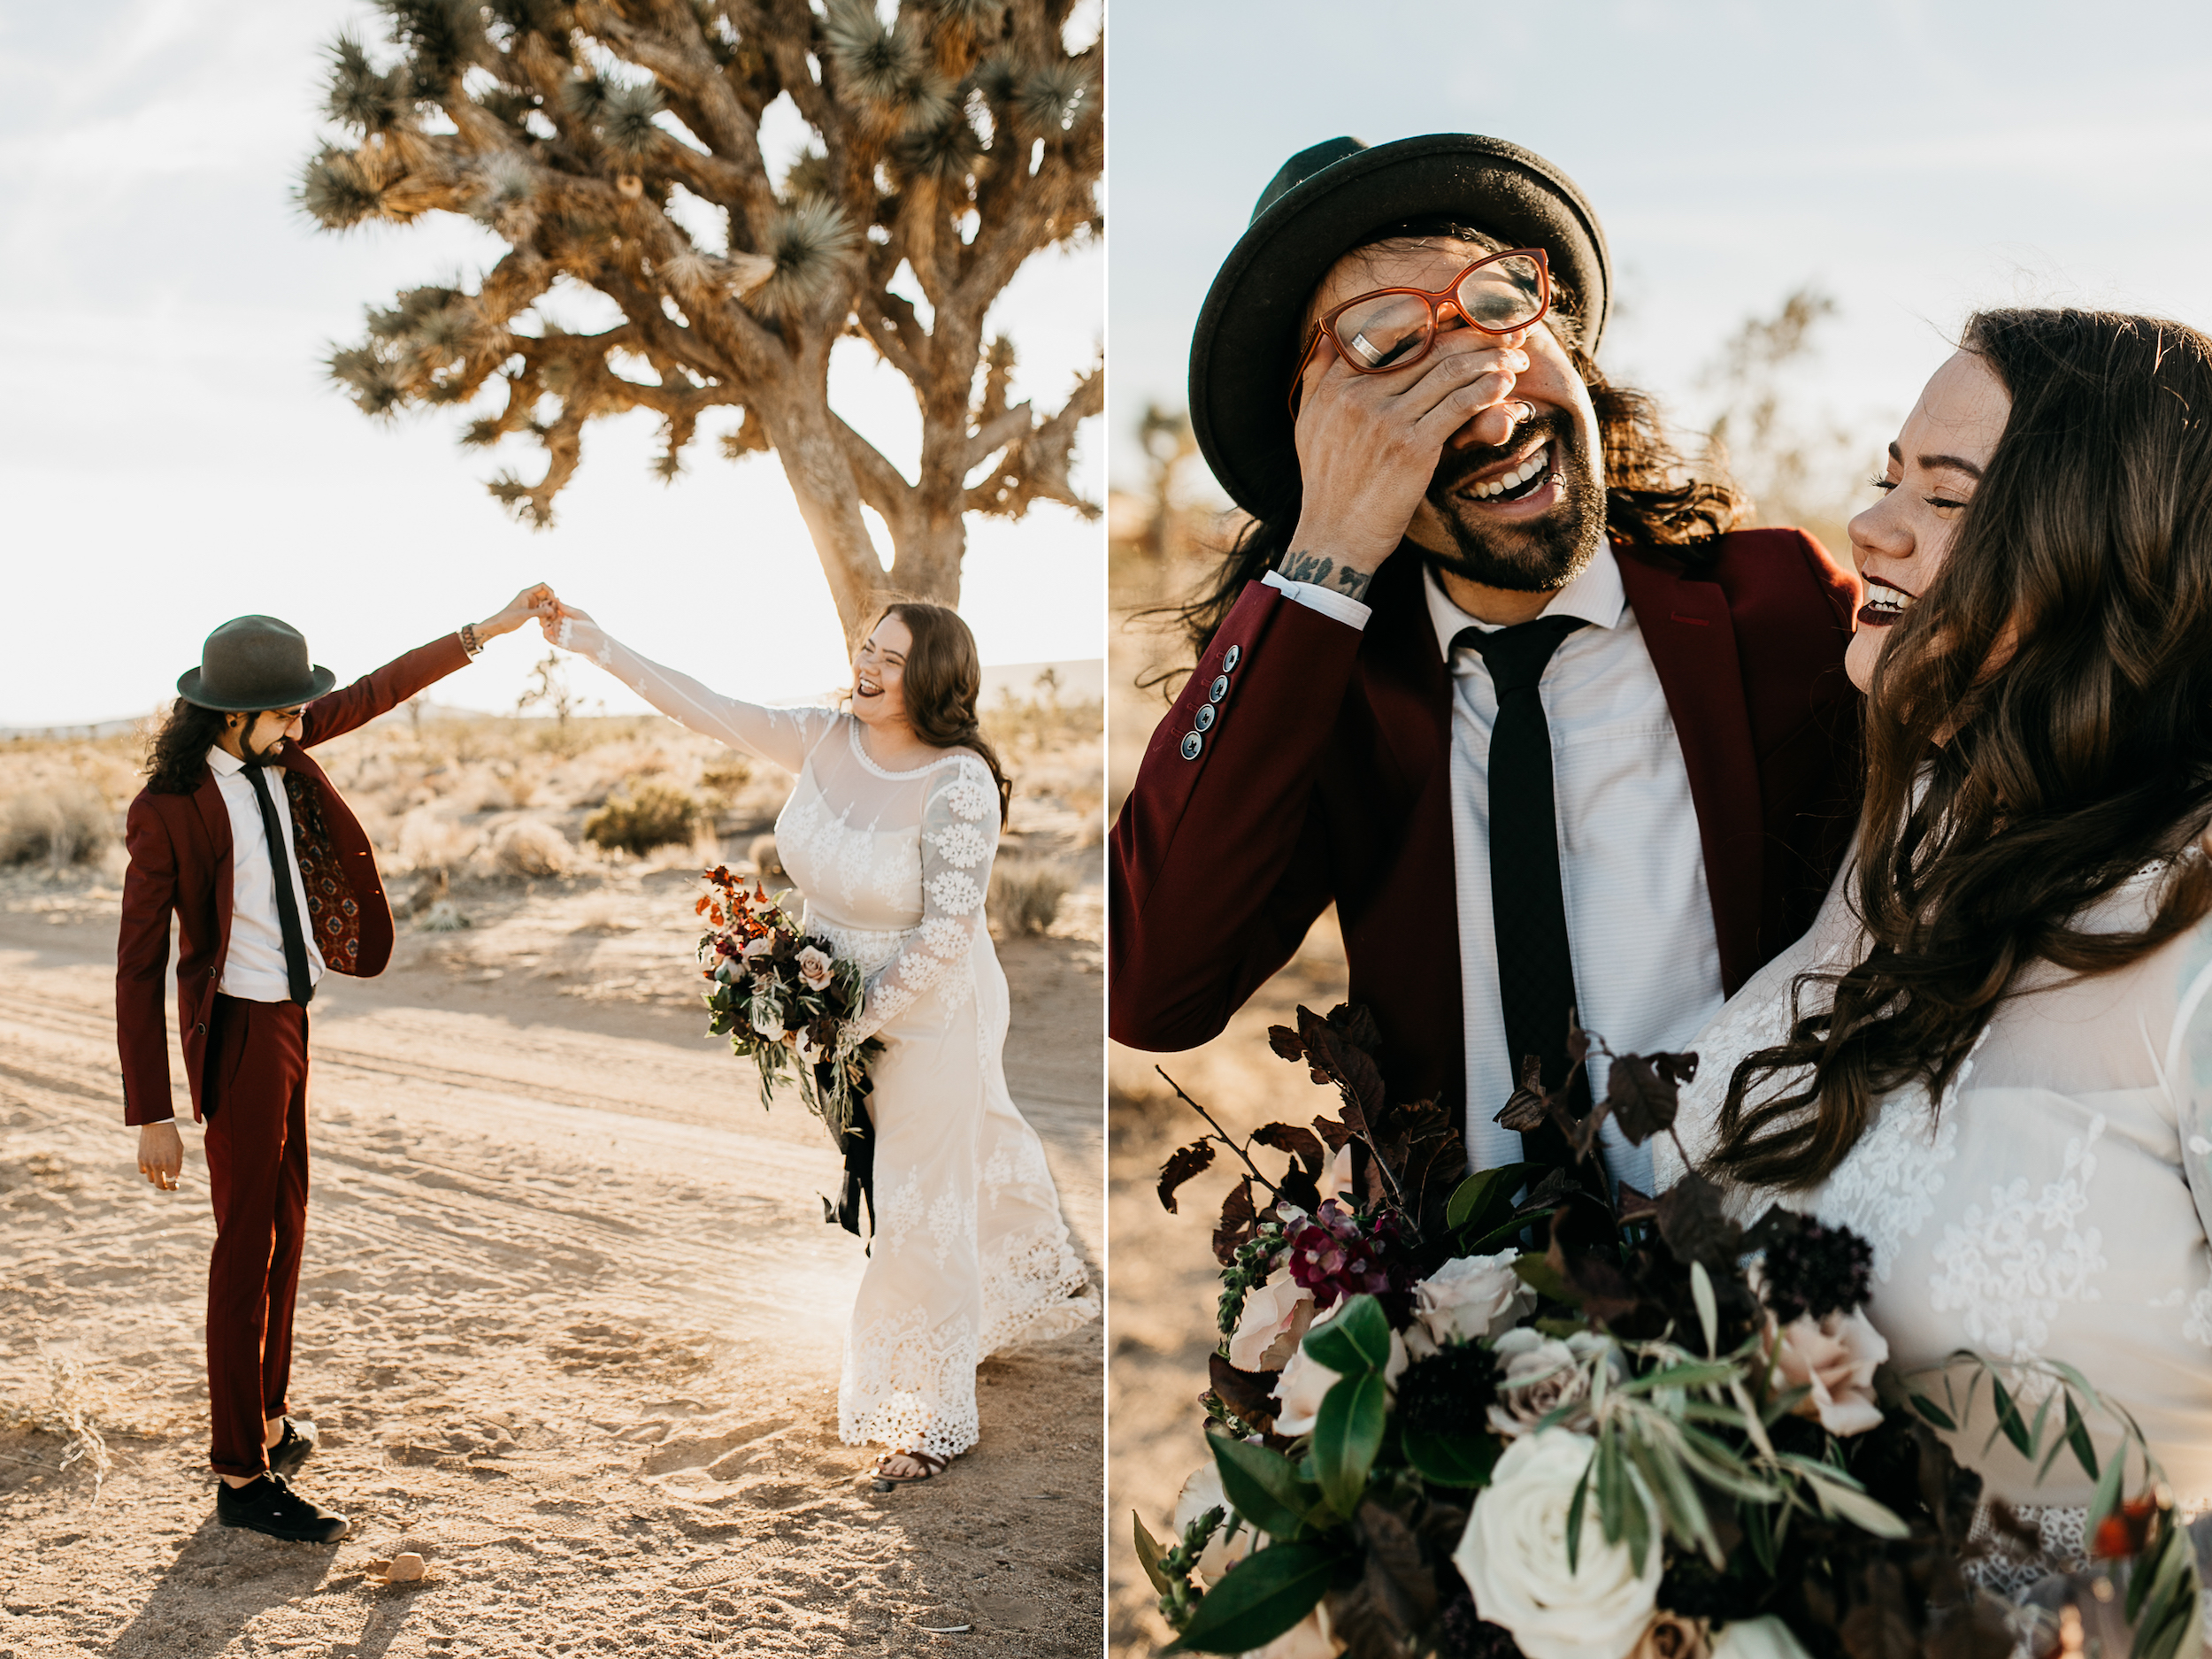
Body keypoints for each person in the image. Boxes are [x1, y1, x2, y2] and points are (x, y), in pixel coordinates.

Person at [1109, 134, 1863, 1192]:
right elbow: (1153, 988)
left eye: (1496, 308)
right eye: (1389, 355)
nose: (1490, 405)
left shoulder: (1786, 610)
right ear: (1322, 444)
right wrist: (1324, 555)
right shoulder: (1329, 706)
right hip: (1455, 1316)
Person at [1659, 308, 2212, 1591]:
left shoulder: (2191, 926)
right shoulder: (1913, 830)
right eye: (1887, 476)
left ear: (2107, 547)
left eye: (1950, 496)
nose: (1875, 527)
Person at [543, 597, 1097, 1484]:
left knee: (919, 1197)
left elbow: (949, 933)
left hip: (927, 1008)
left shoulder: (958, 781)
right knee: (892, 1180)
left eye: (891, 656)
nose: (867, 665)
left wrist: (847, 1021)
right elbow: (705, 705)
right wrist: (595, 643)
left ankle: (923, 1415)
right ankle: (978, 1309)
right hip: (827, 1006)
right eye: (864, 647)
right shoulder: (821, 737)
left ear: (933, 677)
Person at [120, 588, 555, 1541]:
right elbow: (138, 963)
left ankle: (268, 1418)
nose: (300, 721)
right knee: (244, 1249)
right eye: (284, 710)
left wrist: (494, 626)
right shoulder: (171, 811)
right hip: (237, 1034)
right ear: (233, 716)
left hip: (294, 1022)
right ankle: (239, 1474)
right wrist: (148, 1110)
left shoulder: (280, 752)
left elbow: (377, 690)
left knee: (287, 1224)